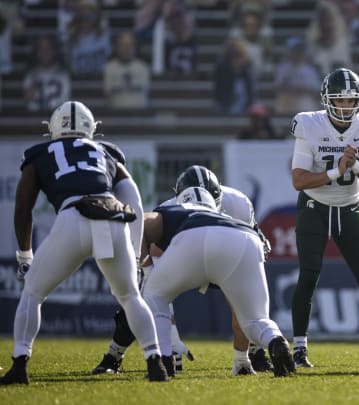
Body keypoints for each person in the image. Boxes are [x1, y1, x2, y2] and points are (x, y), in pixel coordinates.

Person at [0, 101, 168, 385]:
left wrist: (25, 256)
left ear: (53, 127)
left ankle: (19, 364)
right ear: (91, 128)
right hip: (112, 217)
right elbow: (134, 200)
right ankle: (155, 363)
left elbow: (22, 208)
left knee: (32, 293)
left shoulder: (40, 153)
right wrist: (137, 252)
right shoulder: (105, 151)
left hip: (73, 218)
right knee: (130, 297)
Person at [92, 165, 274, 376]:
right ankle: (115, 354)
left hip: (224, 255)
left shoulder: (238, 203)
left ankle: (255, 351)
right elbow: (152, 260)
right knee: (141, 294)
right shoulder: (168, 209)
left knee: (247, 300)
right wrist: (172, 337)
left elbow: (253, 250)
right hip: (186, 256)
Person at [290, 67, 359, 368]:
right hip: (315, 207)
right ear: (327, 100)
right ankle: (299, 350)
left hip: (350, 207)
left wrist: (357, 166)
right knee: (309, 275)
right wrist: (338, 170)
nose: (347, 106)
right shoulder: (309, 124)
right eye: (341, 100)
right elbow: (298, 180)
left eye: (352, 100)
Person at [137, 186, 295, 377]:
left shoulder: (171, 209)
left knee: (155, 295)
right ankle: (276, 341)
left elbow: (140, 224)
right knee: (255, 320)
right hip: (243, 237)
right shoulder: (231, 211)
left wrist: (146, 270)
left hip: (193, 235)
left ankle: (163, 360)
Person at [23, 36, 72, 112]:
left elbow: (65, 101)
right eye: (41, 49)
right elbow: (27, 99)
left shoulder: (63, 75)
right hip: (34, 117)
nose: (44, 52)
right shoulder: (31, 74)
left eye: (47, 48)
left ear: (54, 51)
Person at [104, 31, 151, 109]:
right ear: (117, 47)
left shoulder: (143, 68)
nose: (126, 49)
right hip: (115, 115)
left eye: (129, 45)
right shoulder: (109, 68)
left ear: (135, 47)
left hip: (140, 116)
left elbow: (145, 93)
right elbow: (107, 94)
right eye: (123, 45)